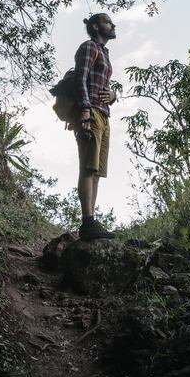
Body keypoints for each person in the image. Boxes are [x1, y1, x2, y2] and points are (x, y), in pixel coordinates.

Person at [74, 13, 118, 240]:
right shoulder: (89, 47)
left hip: (104, 114)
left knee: (98, 171)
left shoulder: (104, 52)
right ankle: (87, 222)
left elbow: (104, 85)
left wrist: (113, 95)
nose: (113, 24)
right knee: (88, 167)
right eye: (108, 22)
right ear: (95, 27)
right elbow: (80, 78)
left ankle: (91, 222)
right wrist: (84, 109)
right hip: (90, 111)